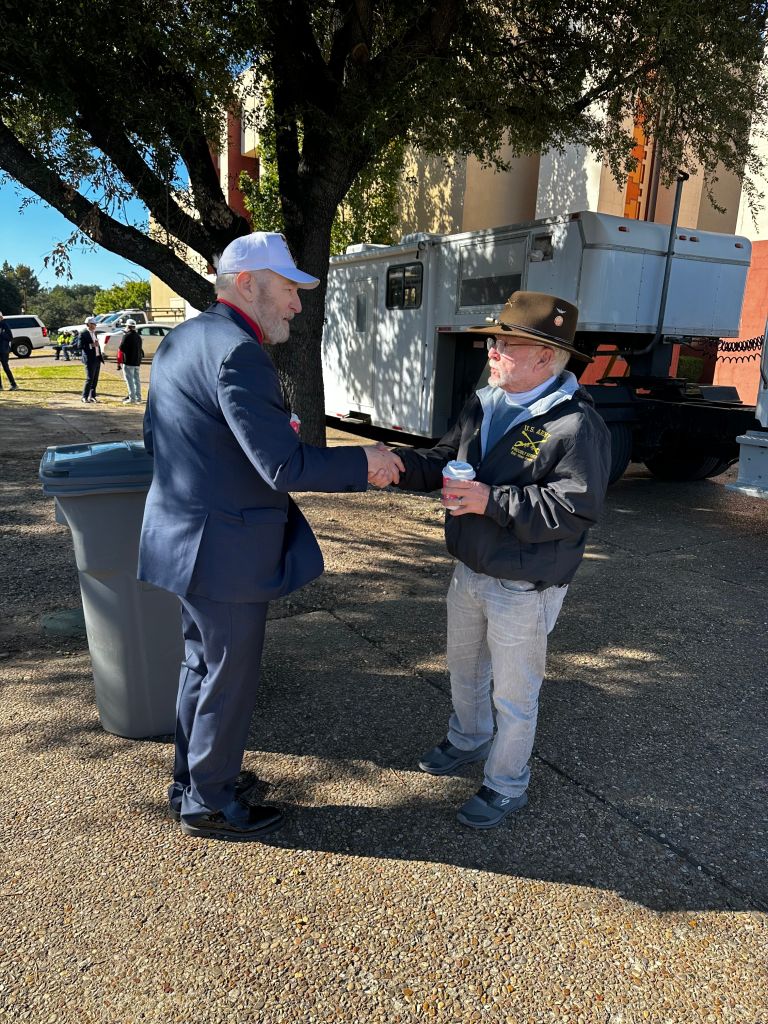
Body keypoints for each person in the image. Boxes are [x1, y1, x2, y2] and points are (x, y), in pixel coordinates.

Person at [138, 231, 404, 843]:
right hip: (223, 549)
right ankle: (209, 801)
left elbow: (160, 442)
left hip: (186, 538)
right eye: (288, 289)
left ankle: (194, 779)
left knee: (202, 668)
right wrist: (366, 460)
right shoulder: (237, 352)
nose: (296, 304)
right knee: (226, 677)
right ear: (248, 283)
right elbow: (282, 466)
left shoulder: (183, 339)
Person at [382, 291, 611, 829]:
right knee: (463, 669)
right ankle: (468, 738)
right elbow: (444, 460)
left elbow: (574, 509)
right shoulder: (486, 401)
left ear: (545, 358)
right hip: (471, 567)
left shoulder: (576, 426)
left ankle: (507, 784)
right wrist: (395, 465)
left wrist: (492, 501)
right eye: (495, 340)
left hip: (525, 585)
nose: (492, 351)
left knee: (514, 693)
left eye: (505, 343)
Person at [116, 319, 143, 403]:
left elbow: (121, 348)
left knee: (129, 380)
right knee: (136, 380)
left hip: (128, 361)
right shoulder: (138, 336)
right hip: (137, 361)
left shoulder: (127, 335)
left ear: (128, 326)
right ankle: (138, 397)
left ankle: (132, 398)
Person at [79, 316, 103, 403]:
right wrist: (91, 345)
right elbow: (79, 346)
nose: (95, 326)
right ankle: (84, 396)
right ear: (88, 324)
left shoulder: (94, 333)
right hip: (89, 359)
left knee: (95, 379)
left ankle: (92, 396)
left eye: (95, 324)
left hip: (97, 358)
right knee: (89, 378)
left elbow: (96, 345)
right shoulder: (83, 333)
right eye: (93, 324)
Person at [0, 312, 19, 391]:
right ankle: (0, 386)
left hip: (3, 350)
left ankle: (13, 384)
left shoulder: (5, 325)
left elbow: (10, 337)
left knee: (6, 368)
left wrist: (1, 334)